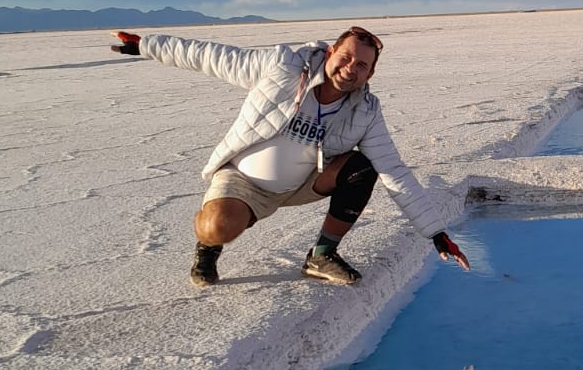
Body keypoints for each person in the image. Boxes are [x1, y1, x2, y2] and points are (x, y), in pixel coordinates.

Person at [110, 25, 469, 289]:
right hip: (243, 180)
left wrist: (436, 233)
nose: (350, 68)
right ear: (330, 52)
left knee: (362, 168)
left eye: (361, 65)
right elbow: (214, 57)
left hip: (303, 183)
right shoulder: (282, 67)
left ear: (370, 73)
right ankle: (208, 246)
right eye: (346, 57)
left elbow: (393, 170)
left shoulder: (366, 111)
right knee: (218, 227)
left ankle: (321, 255)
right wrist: (148, 45)